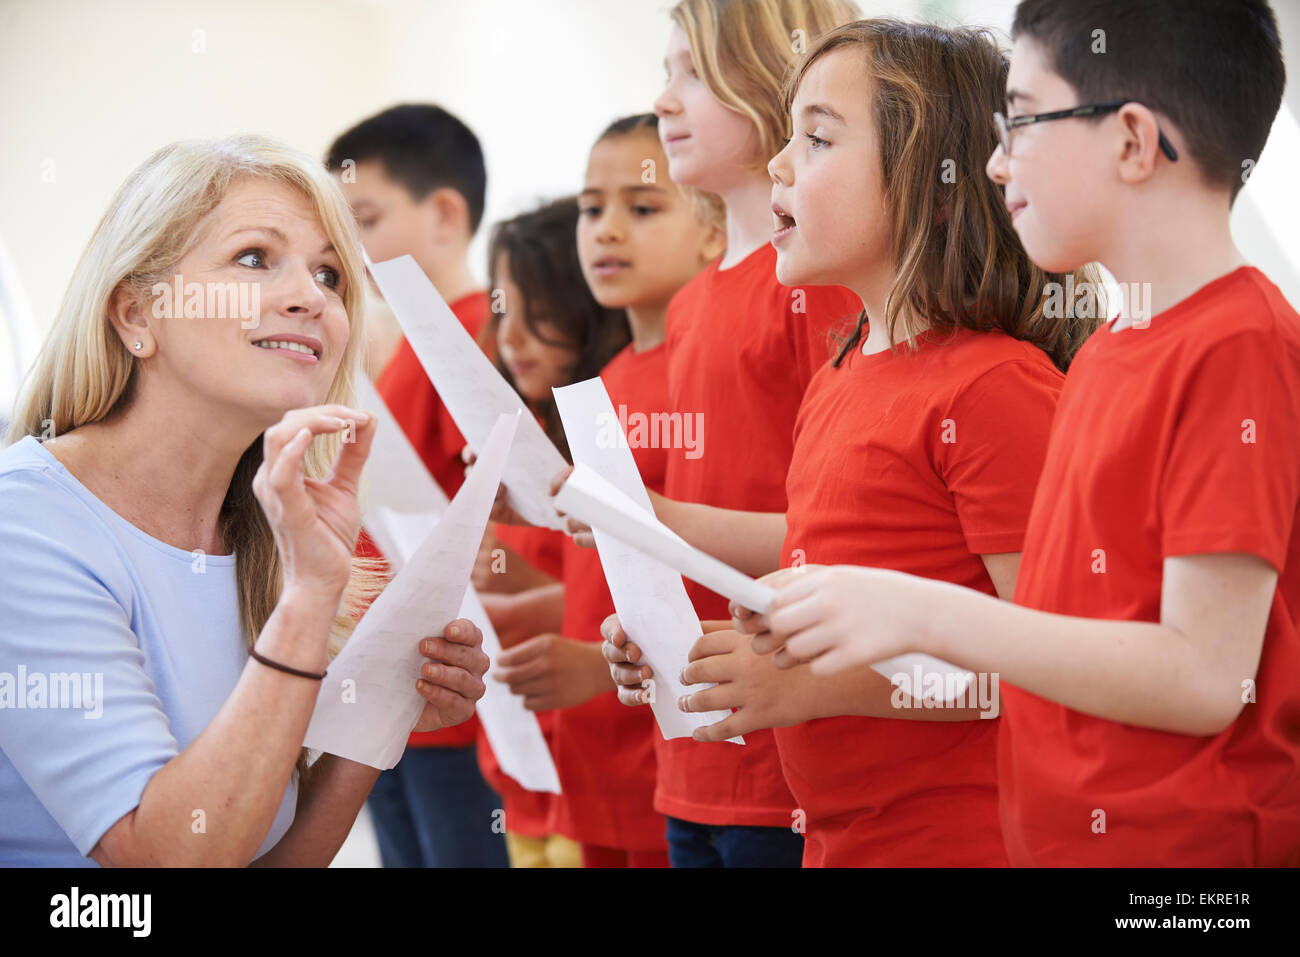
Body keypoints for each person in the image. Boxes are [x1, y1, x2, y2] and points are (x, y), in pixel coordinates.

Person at [745, 0, 1300, 867]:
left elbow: (1203, 677)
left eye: (1028, 122)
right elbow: (1066, 635)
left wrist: (917, 611)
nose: (996, 164)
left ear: (1130, 142)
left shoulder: (1239, 344)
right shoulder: (1116, 352)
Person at [0, 134, 488, 866]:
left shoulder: (265, 538)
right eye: (256, 258)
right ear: (136, 315)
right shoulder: (26, 525)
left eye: (330, 273)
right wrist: (306, 607)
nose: (311, 298)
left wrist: (387, 701)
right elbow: (165, 859)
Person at [326, 103, 508, 868]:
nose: (347, 247)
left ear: (443, 212)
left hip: (450, 691)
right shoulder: (402, 354)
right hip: (387, 676)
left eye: (363, 218)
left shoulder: (479, 341)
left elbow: (497, 520)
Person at [541, 113, 724, 867]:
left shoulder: (707, 365)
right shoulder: (607, 383)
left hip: (681, 729)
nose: (606, 230)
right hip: (602, 724)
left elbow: (698, 551)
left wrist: (594, 660)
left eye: (642, 207)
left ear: (713, 228)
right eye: (590, 209)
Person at [481, 196, 630, 867]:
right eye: (502, 310)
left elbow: (616, 595)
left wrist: (519, 601)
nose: (510, 339)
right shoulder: (521, 438)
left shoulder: (606, 442)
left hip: (603, 756)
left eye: (535, 313)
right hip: (522, 757)